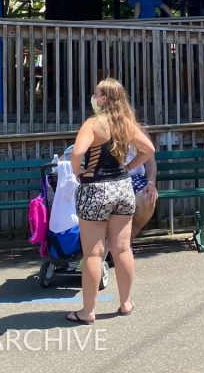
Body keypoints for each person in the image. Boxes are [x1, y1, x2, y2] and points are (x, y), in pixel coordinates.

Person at [67, 79, 155, 323]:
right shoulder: (126, 124)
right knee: (122, 248)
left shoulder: (92, 124)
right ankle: (125, 303)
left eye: (95, 93)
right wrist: (128, 167)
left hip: (95, 189)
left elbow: (76, 153)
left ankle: (87, 312)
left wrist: (78, 171)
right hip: (122, 188)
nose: (93, 97)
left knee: (94, 254)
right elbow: (148, 149)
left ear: (104, 99)